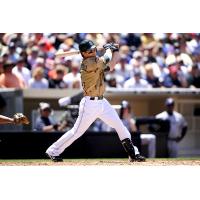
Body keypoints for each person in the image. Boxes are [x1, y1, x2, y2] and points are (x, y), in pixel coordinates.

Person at [46, 40, 145, 162]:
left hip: (102, 102)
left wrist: (116, 50)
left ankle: (133, 153)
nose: (93, 51)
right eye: (90, 50)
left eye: (93, 49)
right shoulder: (89, 63)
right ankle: (53, 150)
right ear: (83, 54)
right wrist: (109, 49)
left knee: (120, 126)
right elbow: (108, 58)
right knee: (76, 132)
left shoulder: (95, 61)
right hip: (90, 104)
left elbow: (112, 65)